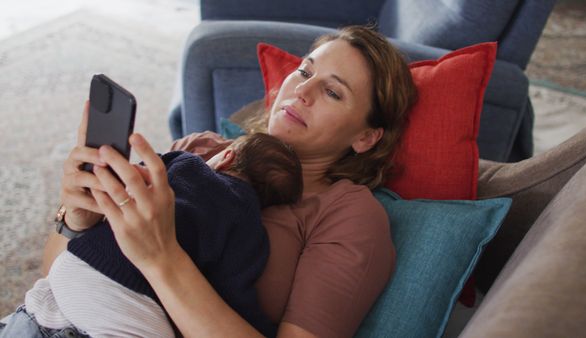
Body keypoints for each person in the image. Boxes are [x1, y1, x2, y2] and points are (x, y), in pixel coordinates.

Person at [35, 25, 418, 337]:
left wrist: (162, 259)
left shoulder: (349, 214)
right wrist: (77, 219)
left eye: (332, 91)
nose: (301, 91)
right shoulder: (202, 151)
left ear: (366, 137)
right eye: (304, 71)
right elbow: (57, 281)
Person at [0, 133, 302, 337]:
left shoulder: (183, 162)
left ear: (224, 157)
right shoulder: (252, 232)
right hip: (137, 307)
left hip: (79, 269)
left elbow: (131, 178)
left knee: (33, 313)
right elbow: (237, 293)